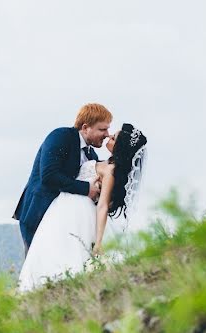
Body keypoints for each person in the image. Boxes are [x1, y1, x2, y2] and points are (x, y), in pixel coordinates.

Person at [18, 123, 147, 292]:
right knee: (53, 247)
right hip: (64, 208)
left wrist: (99, 243)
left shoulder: (111, 170)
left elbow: (102, 206)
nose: (108, 136)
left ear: (120, 147)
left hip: (77, 211)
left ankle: (56, 287)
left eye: (113, 137)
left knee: (67, 251)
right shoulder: (99, 159)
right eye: (105, 131)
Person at [13, 103, 111, 254]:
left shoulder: (92, 155)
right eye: (102, 129)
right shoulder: (61, 136)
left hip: (63, 220)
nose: (107, 134)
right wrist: (86, 189)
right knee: (38, 263)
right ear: (85, 127)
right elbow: (49, 176)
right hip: (39, 210)